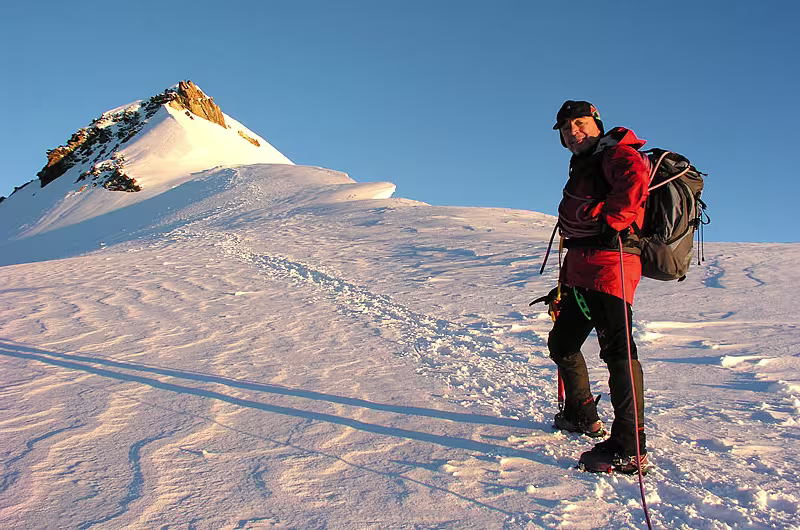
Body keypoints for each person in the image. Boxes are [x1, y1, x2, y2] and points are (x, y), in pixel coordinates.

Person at [547, 100, 650, 474]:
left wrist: (613, 221)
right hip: (583, 271)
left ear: (597, 124)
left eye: (580, 123)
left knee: (618, 351)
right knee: (562, 343)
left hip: (612, 266)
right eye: (566, 128)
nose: (573, 131)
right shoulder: (586, 163)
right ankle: (582, 414)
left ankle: (630, 445)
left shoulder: (615, 153)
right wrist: (563, 284)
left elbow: (635, 180)